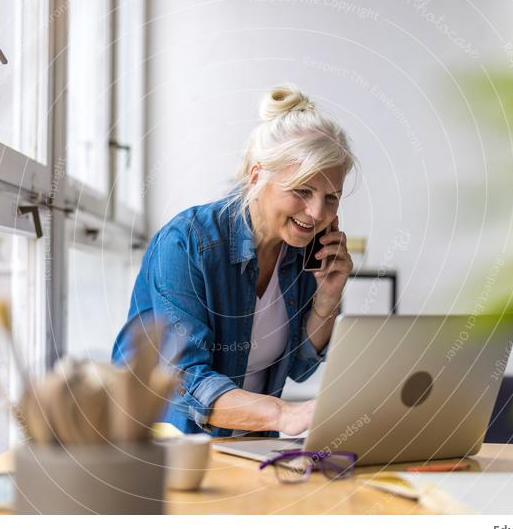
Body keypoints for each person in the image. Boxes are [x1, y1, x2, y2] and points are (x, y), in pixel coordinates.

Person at [111, 85, 356, 437]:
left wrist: (328, 297)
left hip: (248, 449)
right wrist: (283, 415)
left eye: (331, 197)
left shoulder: (300, 250)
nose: (317, 212)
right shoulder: (186, 243)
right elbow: (186, 382)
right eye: (302, 190)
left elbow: (300, 366)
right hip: (163, 452)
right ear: (257, 176)